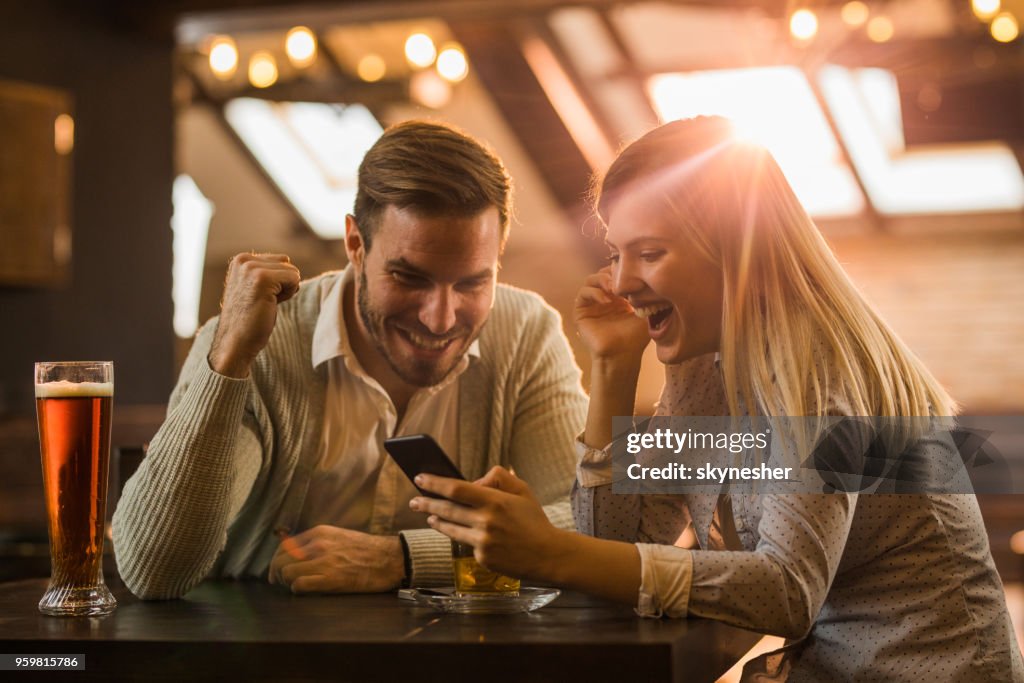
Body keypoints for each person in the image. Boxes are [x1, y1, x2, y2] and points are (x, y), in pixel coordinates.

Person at [410, 117, 1024, 681]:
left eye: (650, 253)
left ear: (733, 249)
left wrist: (551, 551)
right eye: (618, 254)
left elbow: (787, 590)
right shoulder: (711, 369)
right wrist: (614, 365)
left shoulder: (817, 374)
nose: (622, 282)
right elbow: (624, 544)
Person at [113, 120, 587, 599]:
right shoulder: (255, 344)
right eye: (409, 278)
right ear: (356, 245)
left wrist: (400, 558)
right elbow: (154, 571)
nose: (441, 319)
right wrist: (230, 358)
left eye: (471, 283)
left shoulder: (527, 332)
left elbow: (591, 525)